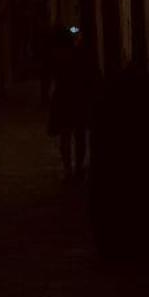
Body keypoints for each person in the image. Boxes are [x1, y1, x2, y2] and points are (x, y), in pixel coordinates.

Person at [46, 24, 94, 180]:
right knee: (79, 134)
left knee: (65, 135)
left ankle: (68, 169)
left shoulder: (56, 57)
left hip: (63, 97)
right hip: (78, 96)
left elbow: (53, 78)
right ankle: (78, 167)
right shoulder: (79, 54)